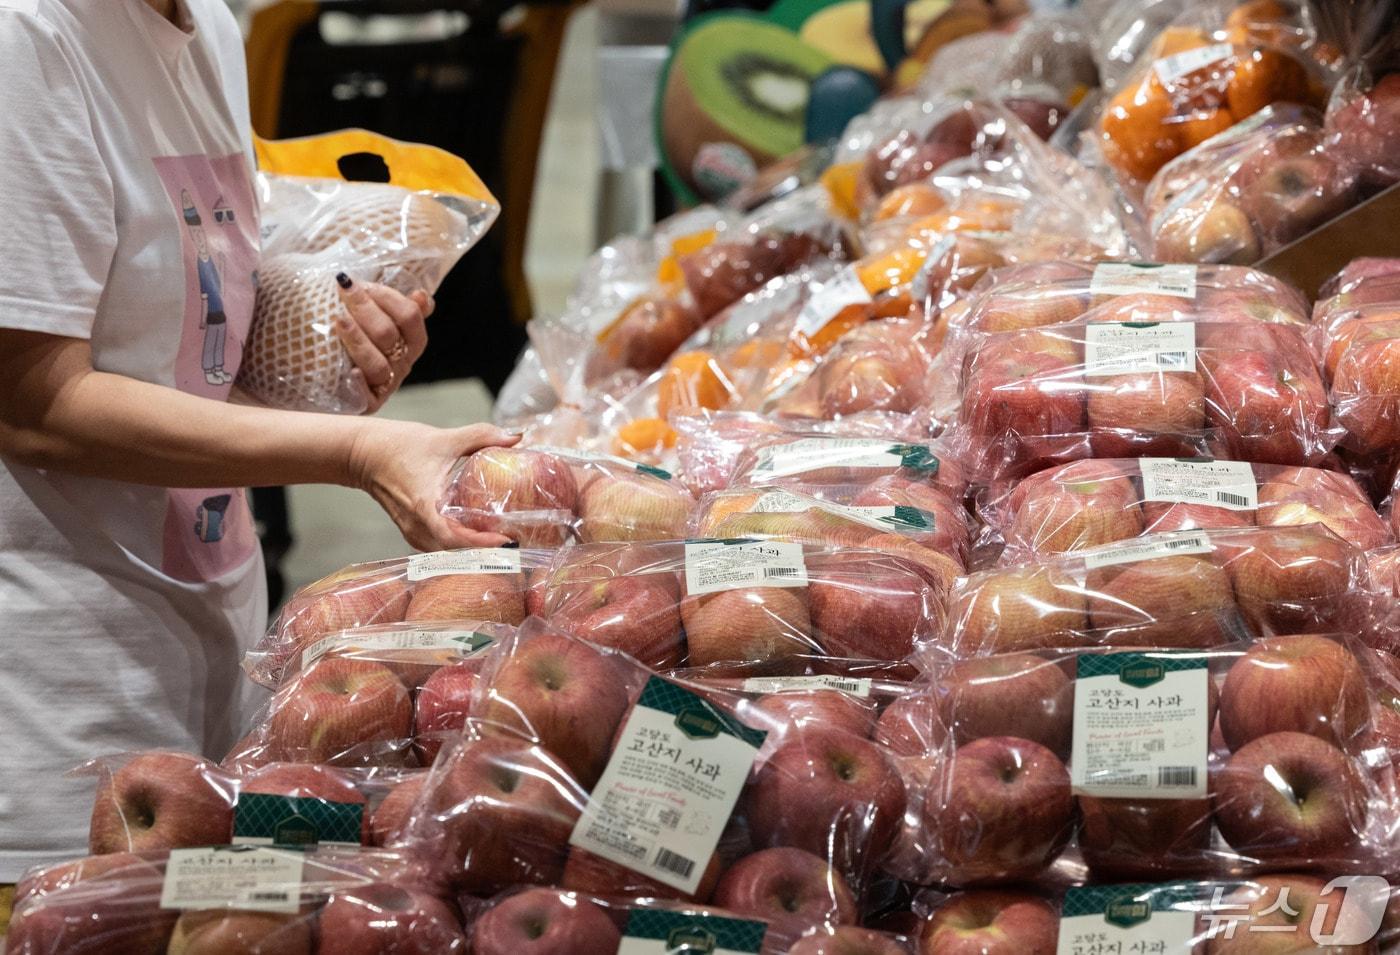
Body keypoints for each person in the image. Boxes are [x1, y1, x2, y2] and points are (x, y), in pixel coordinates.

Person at [0, 0, 516, 887]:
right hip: (55, 707)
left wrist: (326, 331)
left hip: (204, 645)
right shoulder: (26, 39)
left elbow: (171, 324)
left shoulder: (210, 27)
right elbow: (33, 398)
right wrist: (357, 455)